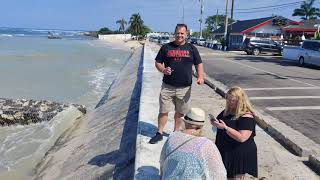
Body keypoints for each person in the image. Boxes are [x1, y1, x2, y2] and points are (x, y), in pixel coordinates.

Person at [149, 23, 204, 144]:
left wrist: (200, 77)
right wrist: (163, 69)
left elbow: (198, 63)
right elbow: (157, 62)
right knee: (163, 111)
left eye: (182, 33)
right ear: (174, 33)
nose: (180, 35)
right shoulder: (166, 47)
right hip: (167, 86)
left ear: (186, 34)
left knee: (180, 113)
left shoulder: (191, 49)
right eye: (178, 33)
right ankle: (159, 133)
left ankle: (175, 134)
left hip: (184, 88)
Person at [160, 108, 227, 179]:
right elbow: (219, 174)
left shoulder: (172, 137)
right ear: (201, 126)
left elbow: (162, 163)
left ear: (185, 122)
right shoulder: (207, 145)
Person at [211, 86, 258, 180]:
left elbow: (242, 138)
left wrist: (225, 128)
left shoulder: (246, 116)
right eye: (227, 99)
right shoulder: (227, 112)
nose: (228, 102)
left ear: (240, 101)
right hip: (226, 151)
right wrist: (215, 123)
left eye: (232, 100)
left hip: (239, 153)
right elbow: (221, 123)